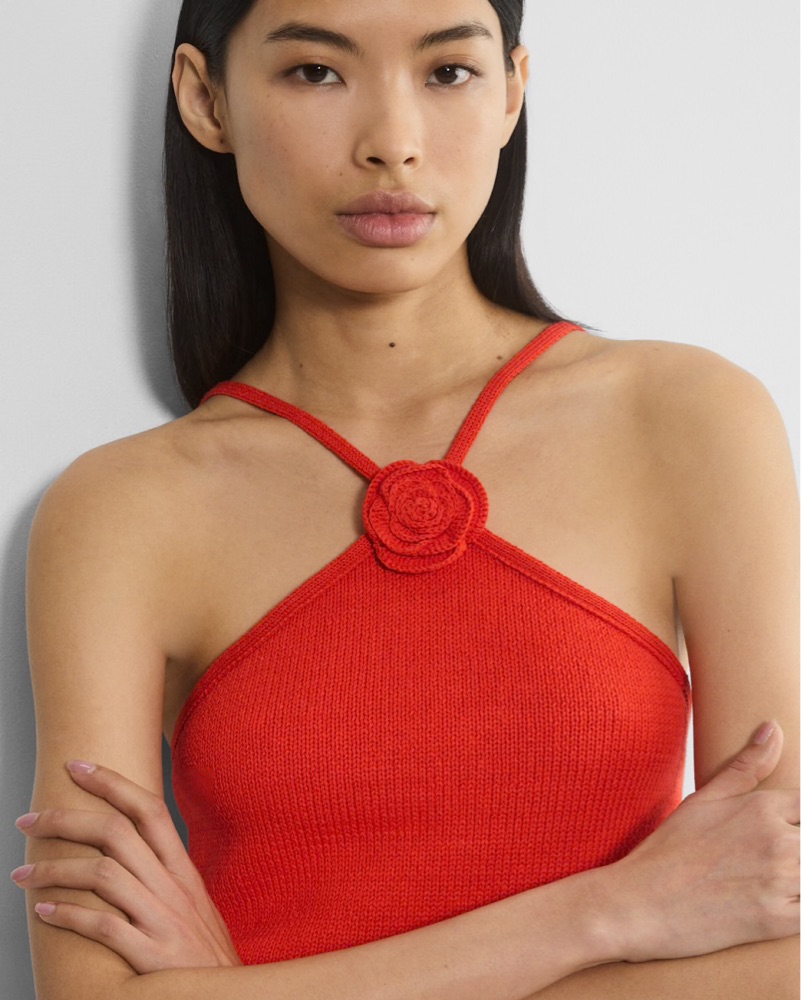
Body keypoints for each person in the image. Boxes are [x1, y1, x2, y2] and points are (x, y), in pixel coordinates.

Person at [15, 0, 799, 997]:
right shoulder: (119, 510)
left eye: (448, 72)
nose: (393, 142)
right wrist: (609, 912)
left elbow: (785, 937)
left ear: (512, 90)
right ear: (206, 100)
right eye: (316, 72)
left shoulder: (686, 419)